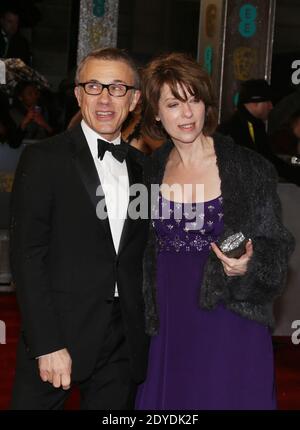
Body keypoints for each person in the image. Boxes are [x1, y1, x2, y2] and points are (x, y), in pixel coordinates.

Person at [136, 53, 294, 410]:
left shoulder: (248, 168)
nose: (187, 114)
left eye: (194, 100)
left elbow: (276, 245)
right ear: (156, 113)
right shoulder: (151, 169)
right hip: (170, 318)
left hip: (230, 316)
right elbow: (143, 249)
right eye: (174, 104)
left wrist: (248, 268)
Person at [10, 47, 149, 410]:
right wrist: (47, 343)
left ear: (134, 99)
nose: (104, 98)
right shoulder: (44, 159)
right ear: (77, 94)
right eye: (93, 86)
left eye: (117, 88)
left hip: (123, 340)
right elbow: (27, 255)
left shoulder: (144, 168)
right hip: (59, 330)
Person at [218, 79, 300, 185]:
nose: (271, 106)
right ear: (255, 103)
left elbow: (268, 160)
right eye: (267, 102)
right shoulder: (236, 128)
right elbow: (261, 161)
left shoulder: (255, 125)